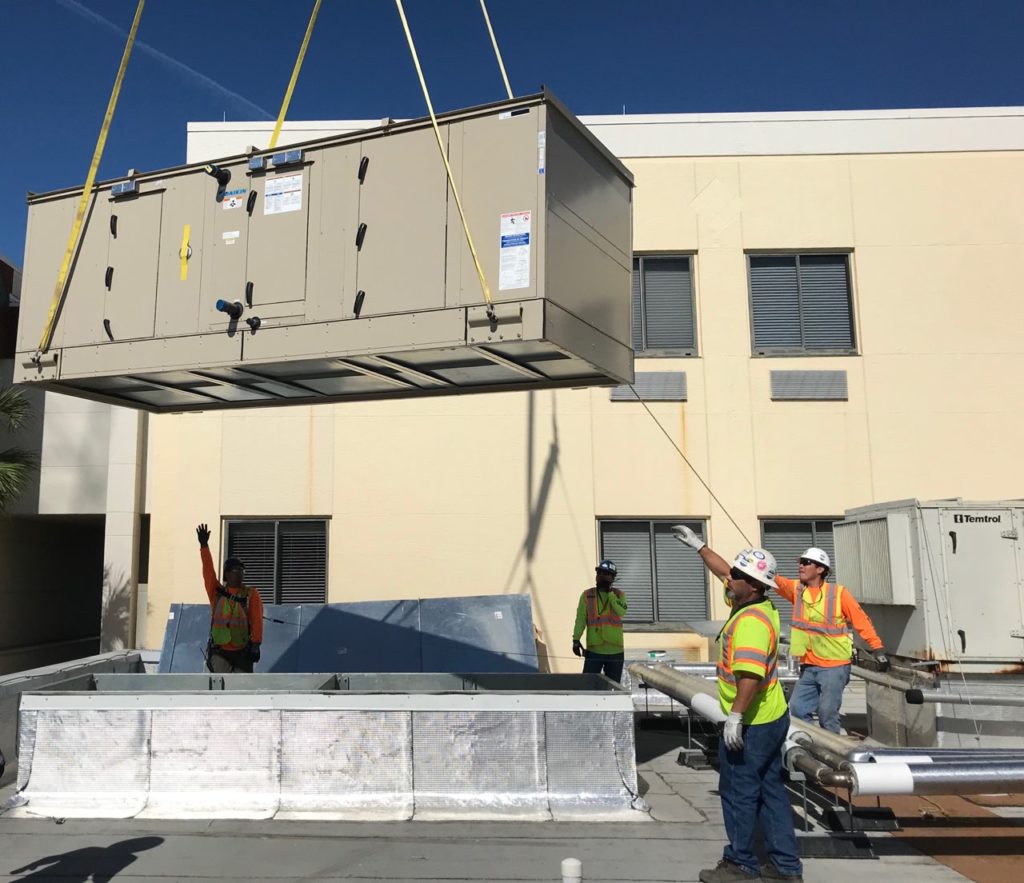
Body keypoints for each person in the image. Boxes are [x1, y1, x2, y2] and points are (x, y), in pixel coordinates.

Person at [674, 526, 889, 734]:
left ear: (821, 569)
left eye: (806, 563)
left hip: (834, 666)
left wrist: (877, 649)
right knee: (797, 710)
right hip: (809, 665)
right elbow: (741, 575)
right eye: (801, 562)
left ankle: (833, 754)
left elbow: (862, 621)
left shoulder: (839, 594)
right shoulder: (796, 590)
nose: (801, 566)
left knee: (827, 713)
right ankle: (809, 747)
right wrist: (700, 546)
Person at [700, 547, 803, 883]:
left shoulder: (751, 622)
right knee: (770, 788)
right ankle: (785, 867)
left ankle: (741, 863)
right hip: (771, 715)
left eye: (738, 576)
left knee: (739, 790)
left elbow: (750, 676)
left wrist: (735, 718)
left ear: (755, 585)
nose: (730, 578)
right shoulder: (752, 603)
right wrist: (699, 547)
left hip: (754, 721)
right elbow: (723, 572)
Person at [196, 523, 264, 673]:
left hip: (242, 652)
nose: (239, 573)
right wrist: (204, 546)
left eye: (241, 571)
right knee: (219, 689)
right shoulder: (217, 592)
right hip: (220, 652)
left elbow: (257, 620)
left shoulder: (251, 594)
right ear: (227, 574)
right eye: (235, 570)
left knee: (242, 690)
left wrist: (256, 644)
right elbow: (208, 571)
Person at [571, 559, 627, 683]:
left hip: (615, 651)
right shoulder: (587, 595)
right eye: (599, 573)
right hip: (594, 650)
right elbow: (580, 619)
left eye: (605, 574)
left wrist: (610, 594)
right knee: (587, 686)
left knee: (613, 688)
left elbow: (621, 611)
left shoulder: (619, 595)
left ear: (612, 578)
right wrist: (576, 639)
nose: (601, 576)